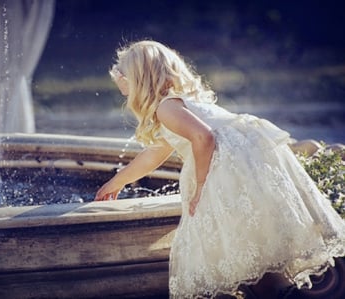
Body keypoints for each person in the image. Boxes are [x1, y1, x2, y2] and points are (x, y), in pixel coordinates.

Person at [94, 40, 345, 298]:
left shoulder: (167, 107)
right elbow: (155, 153)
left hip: (227, 171)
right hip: (245, 167)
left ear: (138, 78)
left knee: (249, 258)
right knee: (258, 258)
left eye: (122, 76)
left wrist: (201, 185)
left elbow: (204, 138)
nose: (119, 83)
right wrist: (118, 181)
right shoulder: (175, 104)